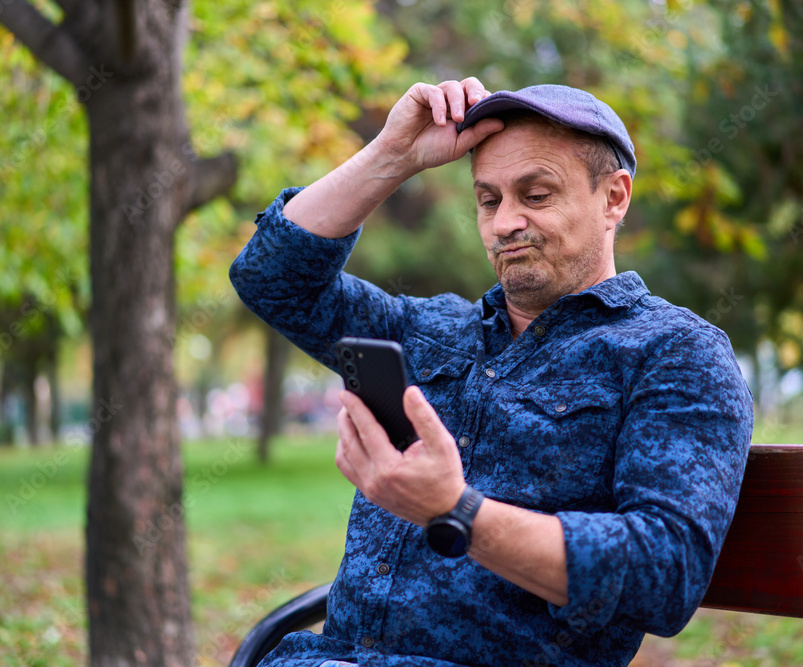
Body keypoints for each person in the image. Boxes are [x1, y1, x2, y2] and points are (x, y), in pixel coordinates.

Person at [230, 77, 754, 667]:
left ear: (614, 198)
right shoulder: (430, 329)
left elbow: (664, 575)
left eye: (535, 195)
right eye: (488, 200)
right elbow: (271, 279)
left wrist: (455, 511)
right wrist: (392, 156)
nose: (504, 223)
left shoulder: (673, 353)